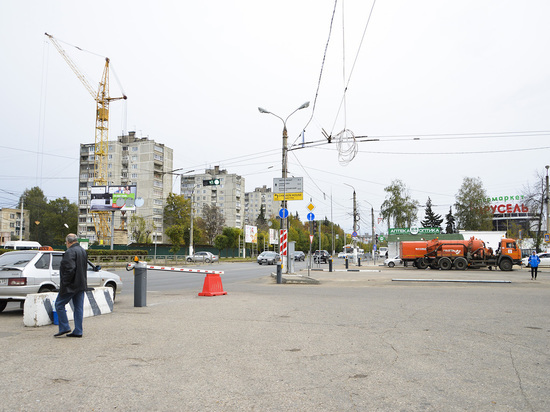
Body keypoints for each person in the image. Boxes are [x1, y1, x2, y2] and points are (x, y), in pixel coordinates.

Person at [54, 234, 88, 338]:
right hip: (81, 284)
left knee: (59, 305)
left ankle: (64, 327)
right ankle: (78, 330)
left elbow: (70, 269)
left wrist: (65, 283)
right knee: (78, 308)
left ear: (68, 242)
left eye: (66, 242)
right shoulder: (82, 251)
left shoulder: (70, 252)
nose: (66, 244)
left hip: (71, 285)